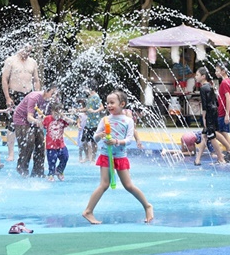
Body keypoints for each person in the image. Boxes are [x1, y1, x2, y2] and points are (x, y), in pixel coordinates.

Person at [83, 90, 153, 224]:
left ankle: (147, 206)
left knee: (128, 185)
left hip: (120, 156)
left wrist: (116, 142)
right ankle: (88, 211)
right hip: (105, 155)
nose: (109, 105)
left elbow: (129, 140)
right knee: (104, 184)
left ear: (122, 104)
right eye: (107, 103)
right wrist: (101, 135)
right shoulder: (105, 120)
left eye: (112, 103)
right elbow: (95, 138)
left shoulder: (128, 121)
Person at [1, 43, 41, 162]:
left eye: (29, 51)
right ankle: (11, 153)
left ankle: (29, 150)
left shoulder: (33, 62)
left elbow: (37, 80)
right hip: (14, 94)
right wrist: (7, 97)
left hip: (28, 95)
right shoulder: (11, 60)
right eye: (26, 50)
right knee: (12, 124)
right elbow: (4, 79)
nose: (27, 53)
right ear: (20, 48)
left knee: (31, 123)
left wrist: (37, 95)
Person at [13, 85, 59, 177]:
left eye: (56, 94)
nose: (54, 96)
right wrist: (38, 121)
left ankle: (38, 171)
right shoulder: (34, 98)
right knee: (28, 142)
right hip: (22, 120)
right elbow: (29, 117)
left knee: (41, 144)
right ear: (46, 91)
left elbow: (52, 115)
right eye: (52, 93)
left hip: (36, 120)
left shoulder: (52, 101)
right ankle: (22, 167)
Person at [194, 67, 228, 166]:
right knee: (205, 135)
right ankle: (197, 160)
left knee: (211, 136)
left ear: (203, 76)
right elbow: (215, 101)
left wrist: (204, 117)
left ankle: (221, 158)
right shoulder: (210, 86)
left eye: (197, 75)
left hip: (209, 113)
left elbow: (205, 105)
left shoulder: (203, 88)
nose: (196, 77)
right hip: (214, 112)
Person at [43, 102, 75, 181]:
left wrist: (64, 117)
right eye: (55, 112)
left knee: (65, 156)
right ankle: (51, 174)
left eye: (59, 112)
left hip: (61, 144)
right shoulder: (48, 118)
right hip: (51, 145)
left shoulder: (62, 119)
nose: (57, 114)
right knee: (52, 161)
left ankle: (59, 170)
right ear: (52, 111)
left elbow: (72, 122)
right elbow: (41, 125)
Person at [215, 62, 230, 162]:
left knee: (221, 132)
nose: (215, 72)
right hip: (226, 110)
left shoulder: (225, 83)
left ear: (223, 71)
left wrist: (226, 114)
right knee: (223, 132)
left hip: (223, 110)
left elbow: (228, 98)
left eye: (217, 70)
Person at [82, 81, 103, 163]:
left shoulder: (96, 97)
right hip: (88, 123)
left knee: (93, 142)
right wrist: (77, 110)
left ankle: (93, 158)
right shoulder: (90, 97)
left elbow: (102, 107)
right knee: (84, 141)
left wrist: (94, 111)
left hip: (95, 123)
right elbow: (87, 109)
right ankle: (87, 157)